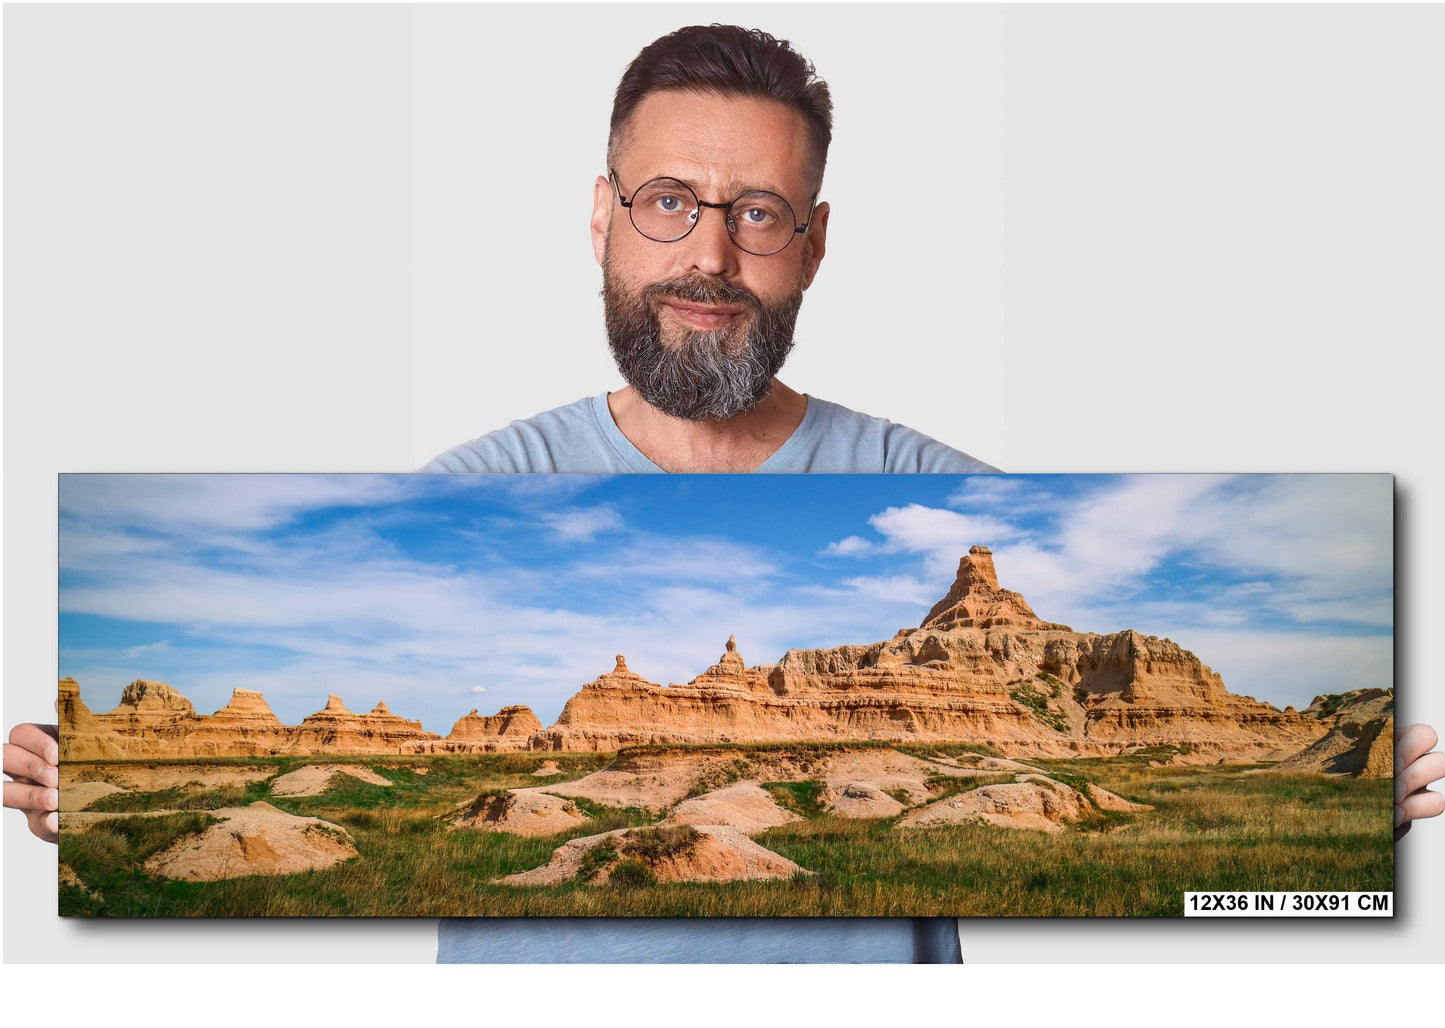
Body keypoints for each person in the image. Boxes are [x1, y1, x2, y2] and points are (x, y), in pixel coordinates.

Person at [8, 23, 1443, 963]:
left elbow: (1243, 888)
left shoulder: (940, 489)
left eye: (755, 212)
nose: (709, 253)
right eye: (668, 201)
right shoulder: (468, 487)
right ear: (601, 215)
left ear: (810, 244)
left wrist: (1369, 823)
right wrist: (83, 805)